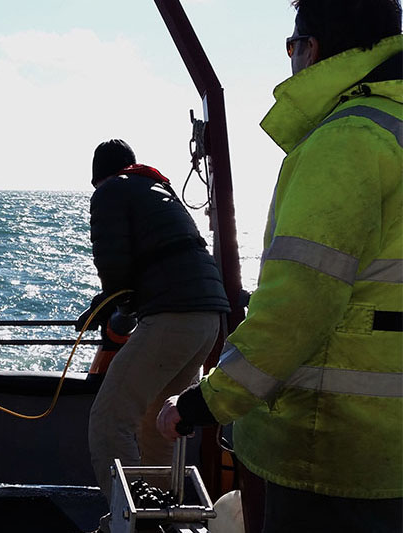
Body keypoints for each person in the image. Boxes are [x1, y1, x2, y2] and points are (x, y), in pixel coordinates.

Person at [156, 1, 402, 531]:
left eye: (291, 47)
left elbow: (296, 310)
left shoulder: (348, 140)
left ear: (310, 49)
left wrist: (205, 402)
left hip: (333, 452)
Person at [78, 139, 230, 532]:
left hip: (173, 316)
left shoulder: (111, 190)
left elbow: (113, 264)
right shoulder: (158, 191)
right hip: (207, 319)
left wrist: (113, 305)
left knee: (110, 419)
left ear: (99, 177)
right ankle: (163, 520)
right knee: (157, 422)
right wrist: (121, 304)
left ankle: (131, 522)